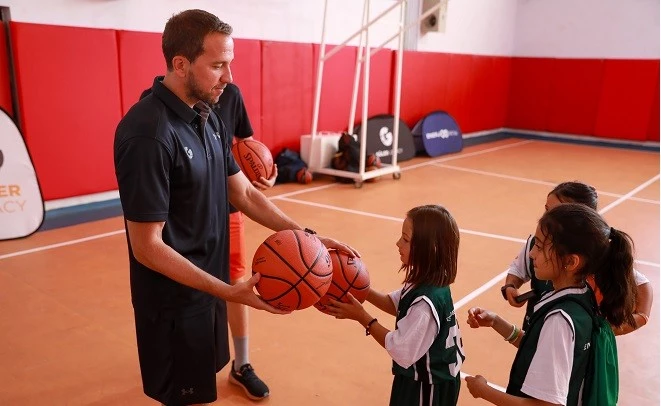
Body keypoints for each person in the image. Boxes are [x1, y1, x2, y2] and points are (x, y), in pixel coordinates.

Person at [114, 9, 358, 405]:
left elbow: (243, 194)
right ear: (180, 64)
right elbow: (147, 247)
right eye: (217, 65)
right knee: (183, 397)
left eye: (230, 64)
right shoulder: (149, 135)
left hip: (208, 289)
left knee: (202, 387)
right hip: (174, 304)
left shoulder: (207, 116)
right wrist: (229, 290)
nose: (228, 77)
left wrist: (306, 237)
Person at [140, 82, 275, 400]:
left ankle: (241, 364)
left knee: (236, 283)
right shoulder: (154, 111)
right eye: (216, 63)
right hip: (186, 217)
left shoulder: (231, 94)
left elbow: (246, 144)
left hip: (227, 210)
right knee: (188, 290)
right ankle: (181, 369)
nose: (225, 73)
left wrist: (264, 168)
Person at [465, 203, 637, 405]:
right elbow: (542, 350)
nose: (531, 254)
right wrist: (496, 322)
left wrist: (484, 390)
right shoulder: (583, 297)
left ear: (571, 262)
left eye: (538, 246)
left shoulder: (560, 319)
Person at [327, 204, 464, 406]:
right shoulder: (429, 279)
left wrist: (362, 317)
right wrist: (355, 287)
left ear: (428, 248)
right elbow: (395, 304)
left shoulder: (425, 304)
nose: (398, 243)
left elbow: (400, 350)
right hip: (424, 378)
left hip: (427, 387)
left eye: (406, 239)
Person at [501, 181, 652, 335]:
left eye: (556, 211)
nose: (547, 217)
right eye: (546, 209)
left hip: (572, 341)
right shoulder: (538, 245)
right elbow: (518, 269)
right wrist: (510, 286)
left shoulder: (597, 254)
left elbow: (641, 284)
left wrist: (640, 317)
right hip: (538, 328)